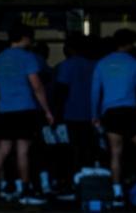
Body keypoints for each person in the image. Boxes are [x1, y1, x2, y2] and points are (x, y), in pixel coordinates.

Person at [0, 25, 52, 205]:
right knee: (23, 150)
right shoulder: (28, 57)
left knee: (3, 149)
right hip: (24, 109)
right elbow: (37, 86)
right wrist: (47, 110)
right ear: (24, 38)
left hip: (5, 111)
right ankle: (24, 191)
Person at [91, 29, 136, 206]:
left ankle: (117, 193)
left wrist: (94, 114)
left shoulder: (102, 64)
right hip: (131, 111)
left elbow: (95, 91)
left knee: (115, 152)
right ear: (129, 44)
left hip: (111, 113)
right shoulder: (135, 63)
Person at [53, 36, 96, 186]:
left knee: (69, 150)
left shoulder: (66, 66)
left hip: (70, 114)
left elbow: (61, 91)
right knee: (88, 149)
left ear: (70, 48)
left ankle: (71, 181)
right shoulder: (93, 65)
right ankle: (86, 180)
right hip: (90, 114)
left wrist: (55, 115)